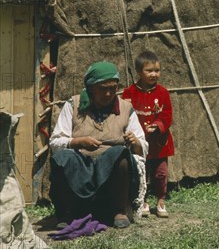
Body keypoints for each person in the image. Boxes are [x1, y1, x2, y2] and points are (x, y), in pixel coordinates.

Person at [49, 61, 148, 230]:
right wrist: (78, 142)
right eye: (103, 88)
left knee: (121, 155)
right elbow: (55, 142)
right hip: (80, 164)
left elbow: (143, 147)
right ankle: (68, 212)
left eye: (113, 88)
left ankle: (119, 210)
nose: (109, 93)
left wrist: (136, 142)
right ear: (90, 88)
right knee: (62, 158)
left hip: (111, 169)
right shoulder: (73, 105)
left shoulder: (126, 108)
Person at [122, 50, 174, 218]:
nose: (154, 74)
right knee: (140, 170)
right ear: (138, 72)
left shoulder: (163, 93)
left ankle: (160, 200)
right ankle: (142, 200)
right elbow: (123, 113)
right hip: (138, 141)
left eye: (157, 70)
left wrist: (158, 126)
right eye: (149, 70)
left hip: (159, 141)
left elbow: (167, 114)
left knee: (160, 173)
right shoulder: (129, 93)